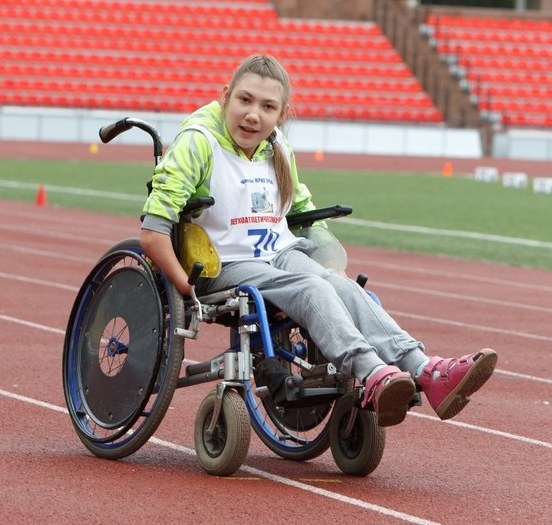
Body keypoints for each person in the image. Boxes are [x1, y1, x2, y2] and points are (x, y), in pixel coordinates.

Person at [140, 54, 497, 427]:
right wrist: (184, 284)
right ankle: (373, 372)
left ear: (282, 114)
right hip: (224, 263)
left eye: (267, 107)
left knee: (338, 284)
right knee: (312, 287)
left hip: (278, 253)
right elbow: (153, 232)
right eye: (244, 100)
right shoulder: (198, 142)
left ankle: (427, 371)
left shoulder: (277, 147)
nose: (253, 115)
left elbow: (301, 210)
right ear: (226, 96)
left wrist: (328, 255)